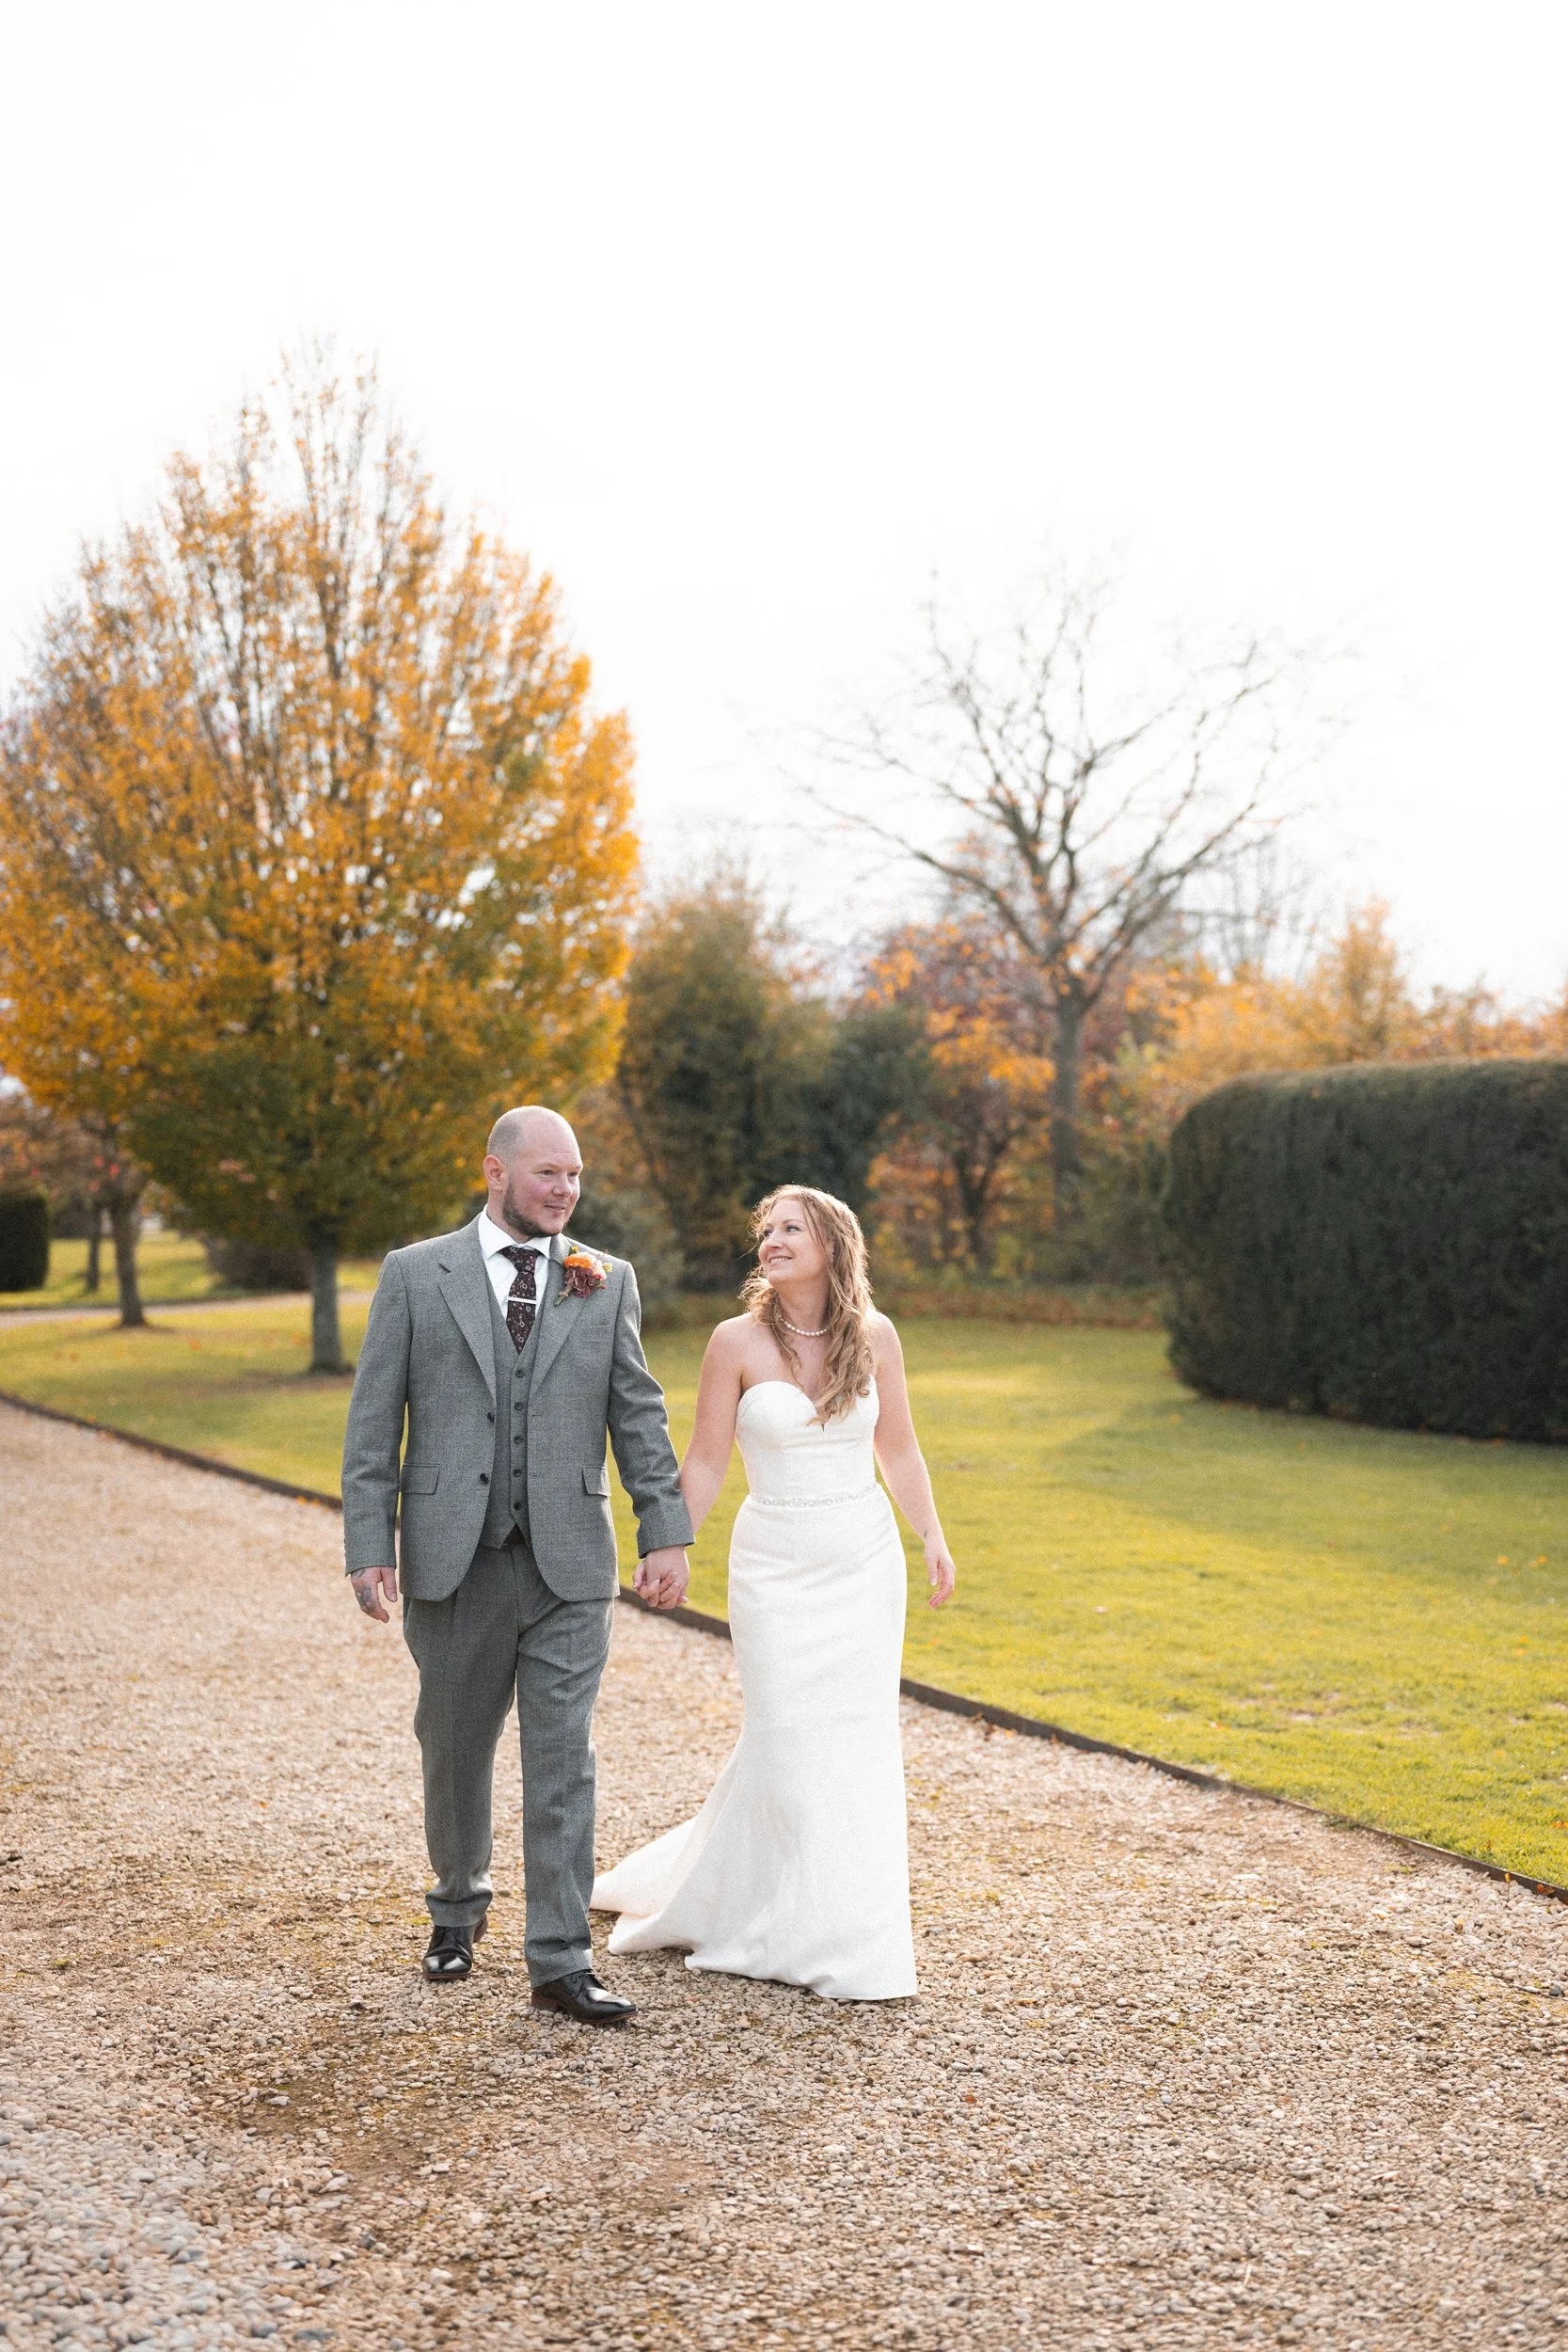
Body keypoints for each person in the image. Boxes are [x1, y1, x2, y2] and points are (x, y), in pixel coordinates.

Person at [341, 1105, 692, 2026]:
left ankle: (559, 1960)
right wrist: (369, 1546)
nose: (564, 1191)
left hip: (570, 1562)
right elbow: (375, 1421)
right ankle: (456, 1906)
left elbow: (638, 1412)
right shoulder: (416, 1275)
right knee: (452, 1746)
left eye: (574, 1176)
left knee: (562, 1758)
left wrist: (665, 1527)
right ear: (493, 1171)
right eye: (547, 1174)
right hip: (455, 1561)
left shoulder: (603, 1281)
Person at [592, 1185, 956, 2000]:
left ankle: (840, 1929)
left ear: (833, 1242)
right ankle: (757, 1906)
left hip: (862, 1564)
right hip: (774, 1569)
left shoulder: (876, 1336)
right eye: (766, 1230)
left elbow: (897, 1448)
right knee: (786, 1735)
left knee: (854, 1744)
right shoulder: (735, 1342)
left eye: (791, 1228)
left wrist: (929, 1535)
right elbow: (710, 1461)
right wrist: (666, 1541)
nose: (772, 1241)